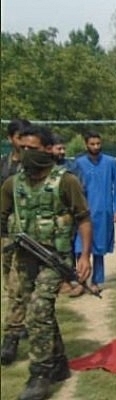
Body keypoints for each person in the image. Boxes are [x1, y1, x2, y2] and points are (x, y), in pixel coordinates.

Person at [0, 125, 92, 400]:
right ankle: (60, 362)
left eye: (33, 148)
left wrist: (84, 255)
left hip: (55, 258)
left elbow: (83, 218)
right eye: (23, 147)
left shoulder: (66, 181)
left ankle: (40, 374)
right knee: (39, 313)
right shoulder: (12, 184)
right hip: (23, 258)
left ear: (49, 149)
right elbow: (2, 219)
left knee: (39, 311)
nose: (26, 153)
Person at [71, 131, 116, 295]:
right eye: (92, 144)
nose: (95, 147)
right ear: (86, 144)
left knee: (99, 249)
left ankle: (97, 281)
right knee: (80, 248)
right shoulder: (78, 163)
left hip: (104, 211)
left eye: (98, 144)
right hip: (83, 212)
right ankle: (80, 281)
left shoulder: (110, 162)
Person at [0, 118, 31, 365]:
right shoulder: (4, 166)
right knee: (11, 284)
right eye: (20, 137)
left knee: (18, 285)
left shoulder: (37, 165)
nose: (24, 142)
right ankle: (20, 324)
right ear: (11, 138)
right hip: (6, 234)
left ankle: (11, 336)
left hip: (30, 235)